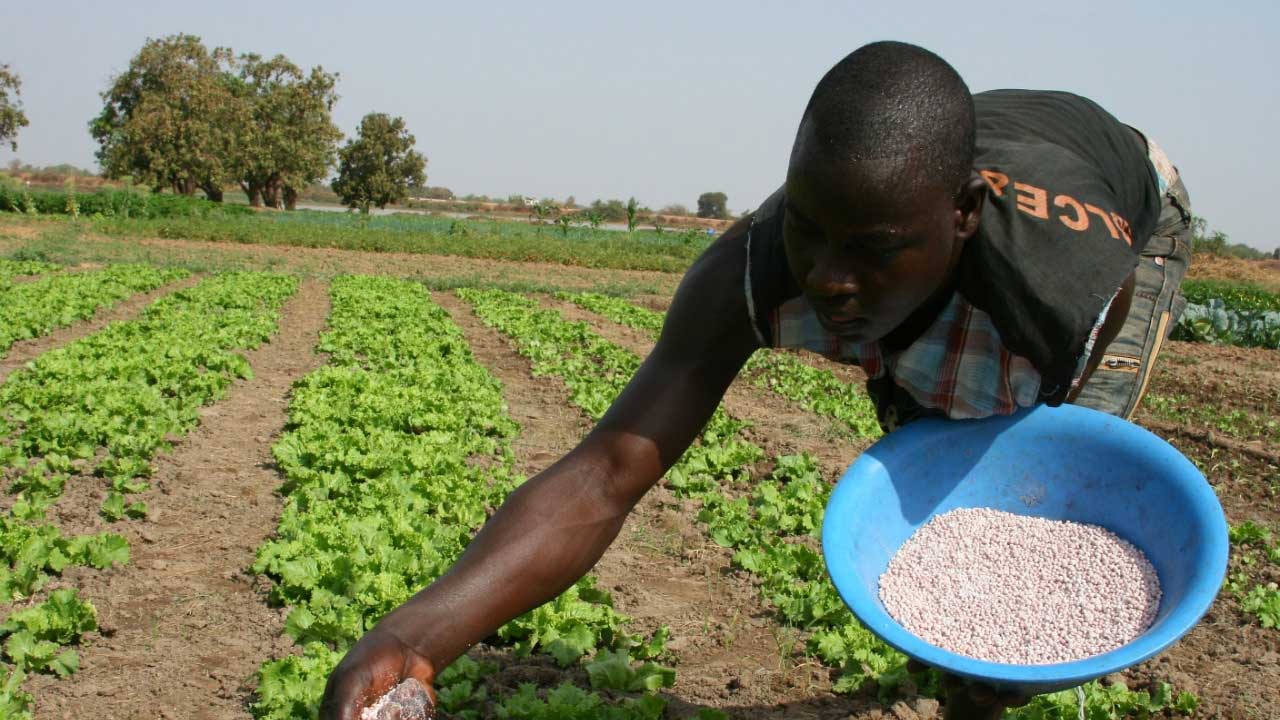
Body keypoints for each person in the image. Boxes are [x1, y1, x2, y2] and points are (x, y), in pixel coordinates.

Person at [321, 41, 1192, 720]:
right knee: (921, 435)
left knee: (988, 499)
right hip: (961, 204)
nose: (829, 279)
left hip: (1122, 200)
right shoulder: (754, 268)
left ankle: (979, 696)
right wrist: (414, 636)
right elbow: (606, 473)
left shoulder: (1064, 287)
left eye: (873, 249)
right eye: (808, 230)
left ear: (962, 214)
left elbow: (1036, 483)